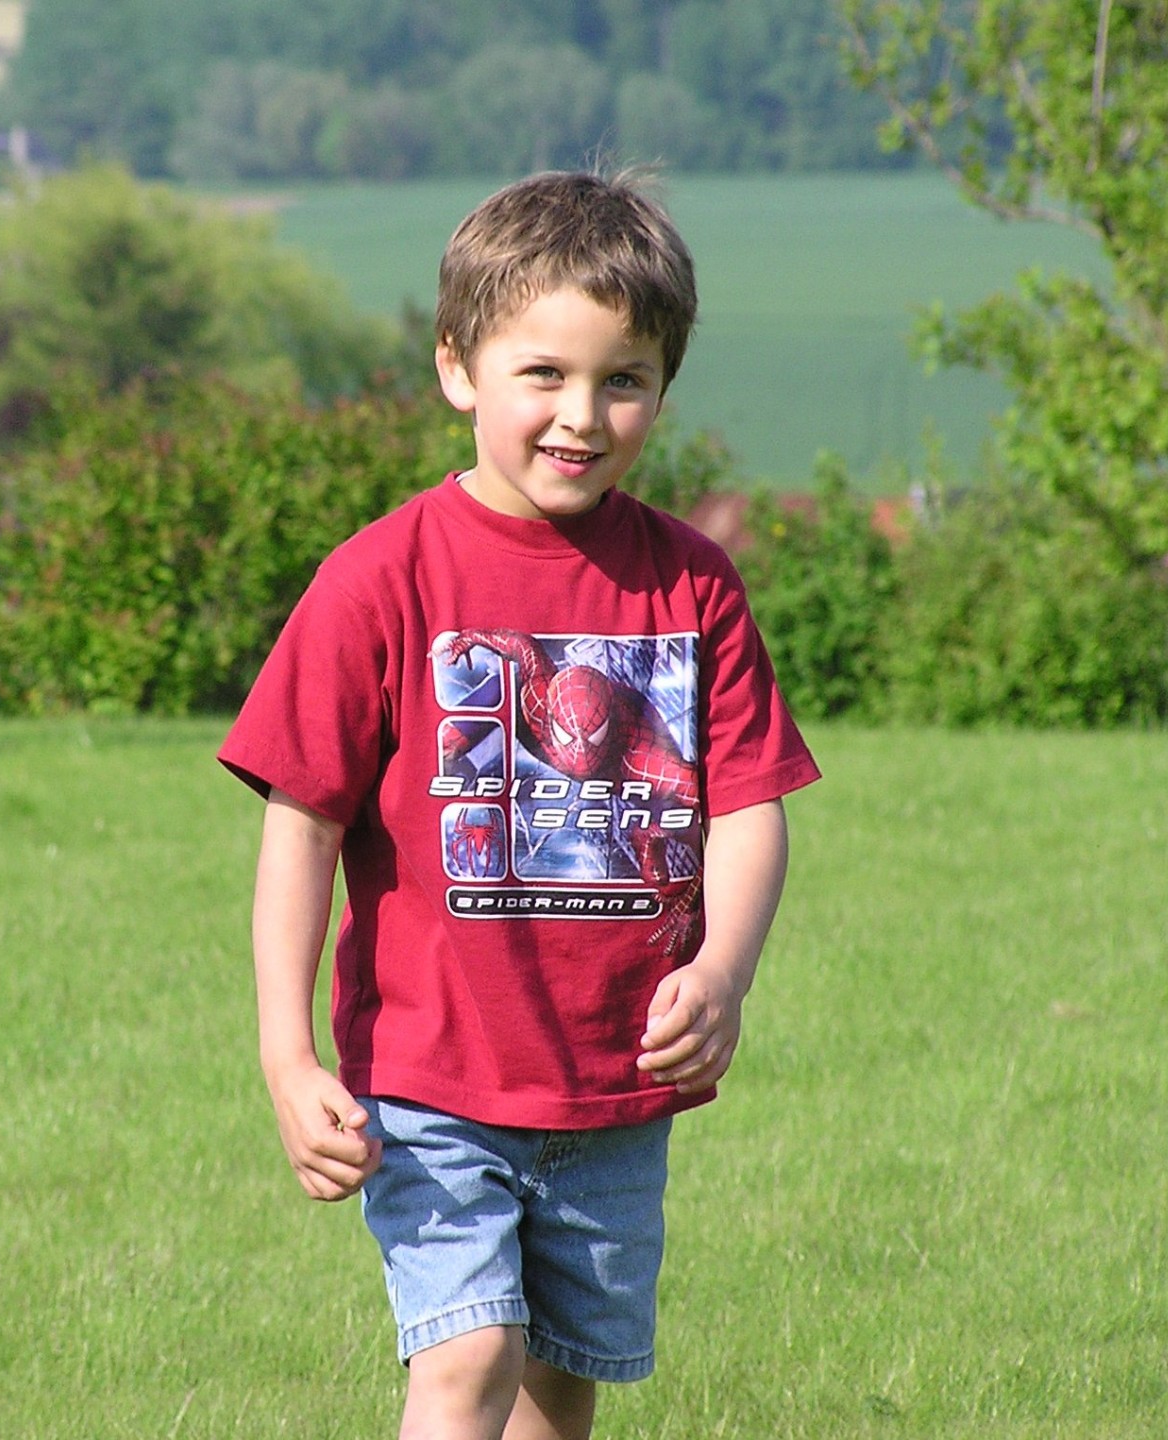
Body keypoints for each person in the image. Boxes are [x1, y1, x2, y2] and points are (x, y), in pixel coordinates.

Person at [219, 169, 821, 1440]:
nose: (581, 416)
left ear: (663, 388)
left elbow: (748, 807)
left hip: (613, 1082)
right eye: (543, 373)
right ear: (459, 368)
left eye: (624, 380)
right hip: (431, 1075)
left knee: (559, 1382)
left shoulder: (693, 585)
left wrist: (723, 973)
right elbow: (302, 822)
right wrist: (286, 1053)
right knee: (468, 1355)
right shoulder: (379, 579)